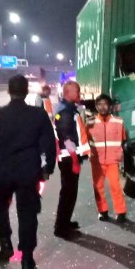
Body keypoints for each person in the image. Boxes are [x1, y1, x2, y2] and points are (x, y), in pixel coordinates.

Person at [0, 74, 56, 269]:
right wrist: (48, 168)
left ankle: (5, 244)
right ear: (27, 90)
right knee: (27, 212)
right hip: (29, 172)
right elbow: (48, 144)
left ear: (9, 91)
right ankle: (27, 257)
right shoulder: (38, 115)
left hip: (3, 171)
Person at [53, 81, 90, 238]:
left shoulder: (68, 109)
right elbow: (67, 139)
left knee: (69, 193)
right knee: (68, 193)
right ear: (68, 92)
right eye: (78, 91)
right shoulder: (66, 113)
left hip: (69, 158)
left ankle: (65, 222)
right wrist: (75, 161)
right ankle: (61, 229)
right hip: (69, 159)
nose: (80, 94)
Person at [86, 94, 128, 223]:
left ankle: (121, 212)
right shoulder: (90, 122)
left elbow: (124, 140)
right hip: (97, 161)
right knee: (98, 188)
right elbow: (86, 140)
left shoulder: (118, 121)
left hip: (112, 160)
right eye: (99, 104)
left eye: (105, 104)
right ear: (96, 106)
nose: (102, 107)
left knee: (115, 186)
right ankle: (102, 211)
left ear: (110, 106)